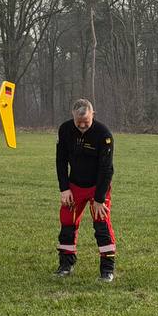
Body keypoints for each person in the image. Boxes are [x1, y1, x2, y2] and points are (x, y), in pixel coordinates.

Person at [54, 99, 117, 282]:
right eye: (78, 123)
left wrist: (99, 198)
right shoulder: (65, 130)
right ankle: (66, 264)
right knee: (67, 223)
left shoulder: (104, 134)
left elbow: (107, 169)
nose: (82, 126)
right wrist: (64, 188)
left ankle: (107, 270)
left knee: (101, 224)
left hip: (98, 186)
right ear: (72, 116)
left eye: (86, 123)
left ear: (93, 115)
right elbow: (60, 161)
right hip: (74, 186)